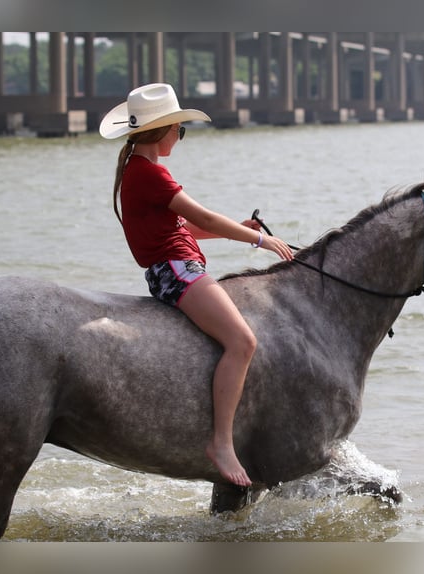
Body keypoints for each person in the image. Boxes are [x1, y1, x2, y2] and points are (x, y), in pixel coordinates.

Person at [100, 83, 293, 487]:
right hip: (177, 271)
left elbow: (180, 227)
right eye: (180, 129)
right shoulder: (149, 173)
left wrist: (233, 231)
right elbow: (201, 216)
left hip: (175, 265)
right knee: (243, 343)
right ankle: (221, 442)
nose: (180, 137)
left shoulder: (139, 168)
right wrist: (259, 240)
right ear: (163, 130)